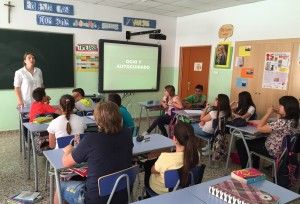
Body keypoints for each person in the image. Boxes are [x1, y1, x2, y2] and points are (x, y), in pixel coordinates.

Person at [55, 101, 133, 204]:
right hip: (123, 195)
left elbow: (65, 163)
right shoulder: (127, 134)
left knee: (60, 186)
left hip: (94, 200)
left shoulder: (91, 140)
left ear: (97, 120)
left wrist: (67, 150)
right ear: (119, 117)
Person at [236, 96, 300, 169]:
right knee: (254, 141)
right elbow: (278, 125)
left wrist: (268, 113)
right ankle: (254, 167)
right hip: (283, 150)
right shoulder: (294, 121)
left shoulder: (282, 122)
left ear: (287, 107)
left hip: (273, 150)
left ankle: (245, 169)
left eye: (281, 105)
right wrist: (278, 114)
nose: (279, 107)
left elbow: (259, 128)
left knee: (240, 142)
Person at [143, 121, 199, 195]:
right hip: (184, 187)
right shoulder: (196, 154)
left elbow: (153, 170)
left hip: (161, 191)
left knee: (147, 166)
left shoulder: (165, 157)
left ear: (174, 139)